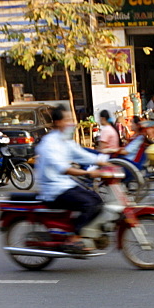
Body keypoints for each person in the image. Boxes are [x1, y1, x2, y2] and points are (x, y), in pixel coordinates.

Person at [34, 105, 107, 253]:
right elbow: (64, 168)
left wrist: (105, 162)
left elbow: (81, 154)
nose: (71, 123)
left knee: (97, 199)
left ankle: (82, 232)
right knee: (90, 204)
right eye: (67, 119)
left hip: (65, 186)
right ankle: (74, 237)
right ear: (58, 122)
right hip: (54, 190)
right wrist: (87, 173)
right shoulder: (49, 143)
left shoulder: (64, 140)